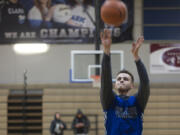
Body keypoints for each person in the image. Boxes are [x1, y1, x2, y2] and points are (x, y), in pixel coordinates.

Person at [100, 29, 150, 135]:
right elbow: (105, 80)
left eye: (126, 79)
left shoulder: (137, 101)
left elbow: (145, 83)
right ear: (115, 84)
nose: (121, 80)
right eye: (118, 79)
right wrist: (107, 50)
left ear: (132, 85)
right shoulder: (109, 100)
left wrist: (136, 57)